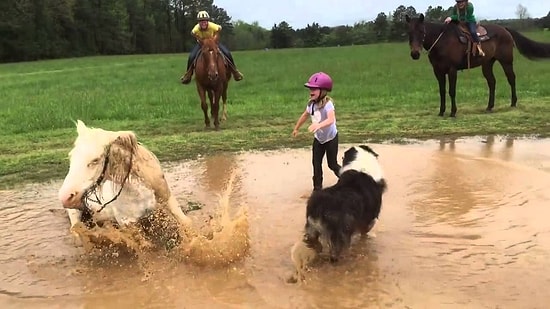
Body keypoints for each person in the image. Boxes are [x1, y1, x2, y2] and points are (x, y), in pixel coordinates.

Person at [292, 72, 341, 191]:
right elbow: (304, 116)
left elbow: (331, 119)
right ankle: (317, 189)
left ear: (323, 91)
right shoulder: (311, 105)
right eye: (310, 89)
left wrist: (318, 125)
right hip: (319, 139)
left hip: (331, 138)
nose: (311, 91)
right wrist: (296, 128)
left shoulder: (328, 104)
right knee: (316, 164)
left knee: (332, 164)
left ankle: (348, 180)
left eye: (314, 89)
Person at [180, 10, 244, 84]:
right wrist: (199, 39)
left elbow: (219, 29)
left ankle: (235, 72)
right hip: (202, 44)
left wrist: (215, 38)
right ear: (198, 22)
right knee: (191, 56)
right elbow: (193, 33)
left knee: (227, 53)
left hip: (213, 43)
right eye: (201, 21)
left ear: (208, 21)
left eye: (205, 21)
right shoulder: (196, 29)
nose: (203, 23)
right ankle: (188, 74)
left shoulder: (212, 26)